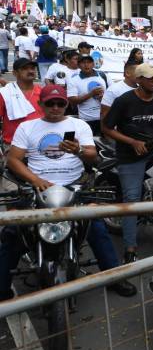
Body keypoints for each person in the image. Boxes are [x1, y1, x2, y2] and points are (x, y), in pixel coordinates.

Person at [0, 85, 136, 301]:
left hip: (74, 187)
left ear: (66, 105)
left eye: (60, 103)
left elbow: (93, 156)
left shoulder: (79, 125)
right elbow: (13, 160)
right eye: (50, 103)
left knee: (96, 227)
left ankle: (114, 277)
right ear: (41, 104)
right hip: (37, 189)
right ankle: (2, 289)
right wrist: (35, 180)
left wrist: (78, 150)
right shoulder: (27, 127)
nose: (55, 107)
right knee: (13, 231)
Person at [102, 63, 153, 263]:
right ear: (139, 80)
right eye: (150, 78)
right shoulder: (124, 100)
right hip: (131, 156)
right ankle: (130, 249)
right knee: (132, 201)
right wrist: (132, 142)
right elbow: (106, 128)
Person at [0, 58, 43, 145]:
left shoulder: (43, 92)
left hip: (39, 143)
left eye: (32, 68)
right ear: (15, 73)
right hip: (13, 145)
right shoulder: (5, 93)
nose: (30, 71)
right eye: (25, 68)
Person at [67, 52, 108, 136]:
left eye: (89, 62)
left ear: (93, 64)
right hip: (86, 121)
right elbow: (72, 101)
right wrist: (91, 94)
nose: (86, 65)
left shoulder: (102, 76)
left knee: (104, 143)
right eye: (83, 62)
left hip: (104, 118)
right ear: (78, 65)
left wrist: (103, 97)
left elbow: (110, 96)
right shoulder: (73, 80)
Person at [101, 58, 139, 123]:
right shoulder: (113, 90)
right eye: (138, 71)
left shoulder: (144, 89)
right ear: (127, 73)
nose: (141, 74)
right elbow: (104, 118)